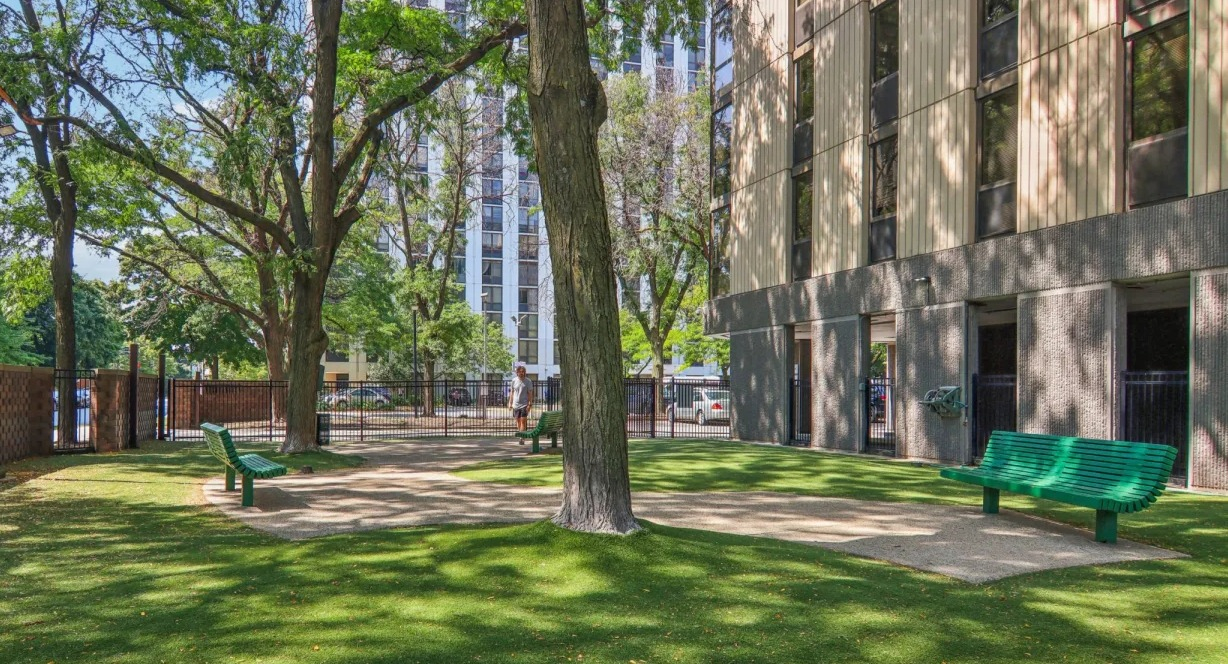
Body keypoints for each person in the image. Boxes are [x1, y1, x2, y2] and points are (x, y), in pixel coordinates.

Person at [509, 365, 534, 433]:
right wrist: (510, 403)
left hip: (524, 404)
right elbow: (512, 392)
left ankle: (521, 438)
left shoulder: (528, 381)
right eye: (519, 372)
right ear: (517, 372)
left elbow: (530, 393)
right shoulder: (514, 380)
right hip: (515, 404)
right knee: (518, 421)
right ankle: (522, 433)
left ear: (525, 372)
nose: (521, 373)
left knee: (523, 421)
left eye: (523, 371)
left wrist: (529, 404)